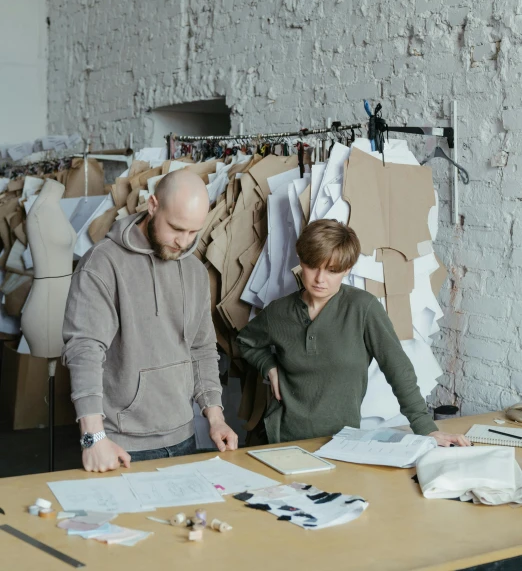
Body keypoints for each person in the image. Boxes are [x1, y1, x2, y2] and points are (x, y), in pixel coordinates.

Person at [237, 219, 470, 448]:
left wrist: (426, 428)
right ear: (300, 260)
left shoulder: (363, 308)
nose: (320, 279)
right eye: (312, 266)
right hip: (281, 439)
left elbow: (398, 369)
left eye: (332, 270)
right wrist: (269, 367)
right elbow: (245, 342)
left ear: (347, 269)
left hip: (342, 441)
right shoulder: (279, 312)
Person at [63, 169, 238, 472]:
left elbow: (201, 349)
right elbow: (84, 351)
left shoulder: (195, 271)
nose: (184, 242)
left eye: (193, 232)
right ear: (153, 205)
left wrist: (216, 417)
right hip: (121, 443)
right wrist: (93, 437)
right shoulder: (103, 263)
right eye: (176, 228)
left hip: (184, 436)